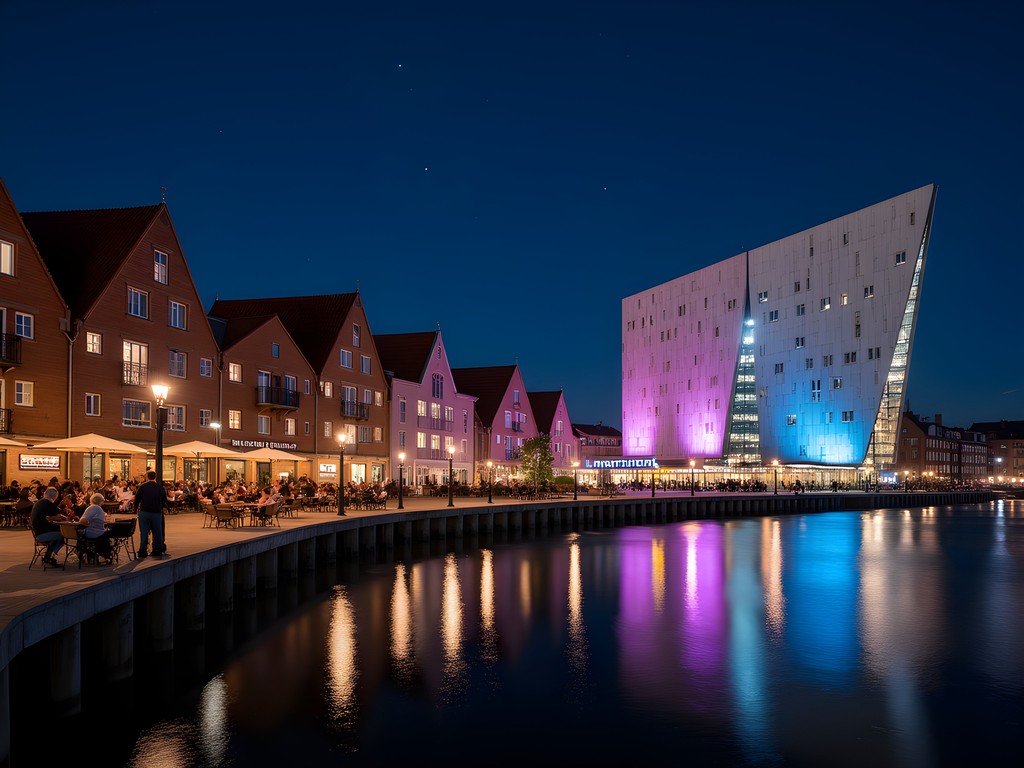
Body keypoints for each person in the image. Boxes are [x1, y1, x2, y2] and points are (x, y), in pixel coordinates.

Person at [134, 470, 169, 558]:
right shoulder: (160, 487)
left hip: (144, 512)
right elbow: (164, 500)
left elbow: (137, 499)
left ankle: (143, 551)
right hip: (156, 512)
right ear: (155, 477)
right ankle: (157, 550)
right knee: (157, 532)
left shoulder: (142, 487)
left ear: (147, 477)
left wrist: (135, 508)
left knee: (144, 532)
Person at [30, 487, 67, 567]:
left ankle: (48, 555)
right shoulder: (48, 504)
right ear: (55, 496)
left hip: (38, 532)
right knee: (63, 536)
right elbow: (61, 514)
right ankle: (49, 555)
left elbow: (49, 517)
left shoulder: (39, 503)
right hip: (43, 534)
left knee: (58, 535)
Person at [78, 492, 113, 563]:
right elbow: (83, 520)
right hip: (93, 532)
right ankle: (105, 555)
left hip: (89, 531)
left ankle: (100, 555)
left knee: (106, 533)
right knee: (108, 533)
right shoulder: (96, 508)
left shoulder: (91, 507)